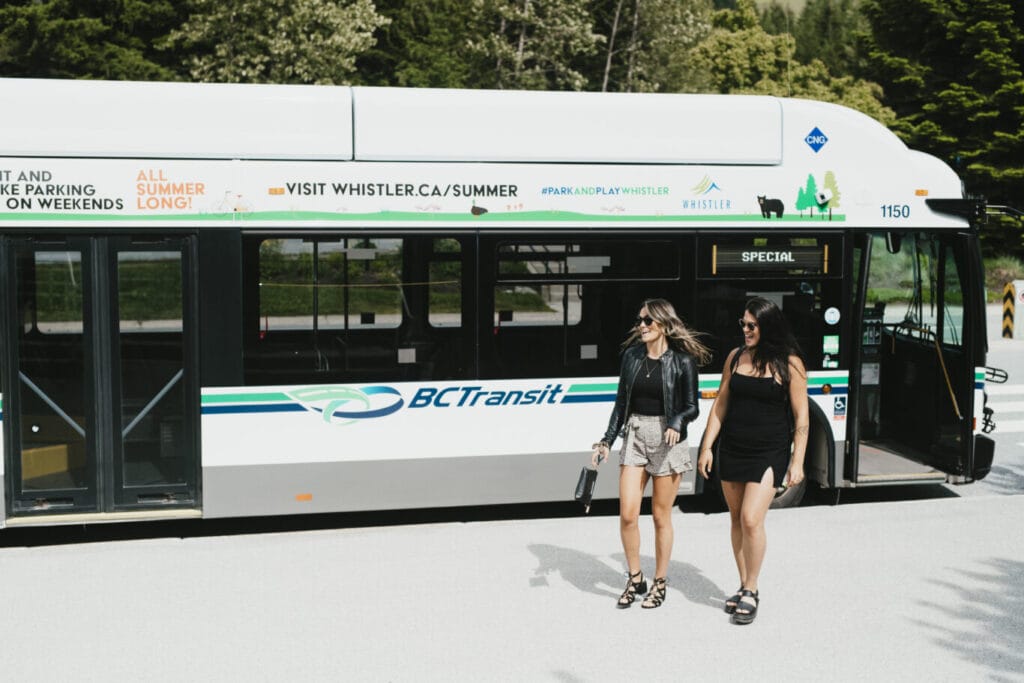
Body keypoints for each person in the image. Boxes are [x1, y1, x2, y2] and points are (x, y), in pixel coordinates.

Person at [592, 298, 710, 609]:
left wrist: (677, 421)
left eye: (648, 321)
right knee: (628, 513)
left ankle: (660, 581)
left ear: (663, 325)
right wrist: (606, 441)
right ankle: (635, 577)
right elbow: (621, 404)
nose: (641, 326)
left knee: (660, 516)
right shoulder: (631, 357)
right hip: (635, 434)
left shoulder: (682, 362)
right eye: (640, 321)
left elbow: (692, 406)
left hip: (668, 438)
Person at [697, 297, 809, 625]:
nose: (745, 331)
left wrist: (797, 460)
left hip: (768, 451)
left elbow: (802, 417)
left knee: (750, 519)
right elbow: (720, 405)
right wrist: (707, 447)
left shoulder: (790, 364)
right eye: (743, 325)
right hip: (733, 447)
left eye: (751, 326)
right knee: (735, 518)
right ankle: (744, 584)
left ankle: (753, 588)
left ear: (767, 326)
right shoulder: (735, 358)